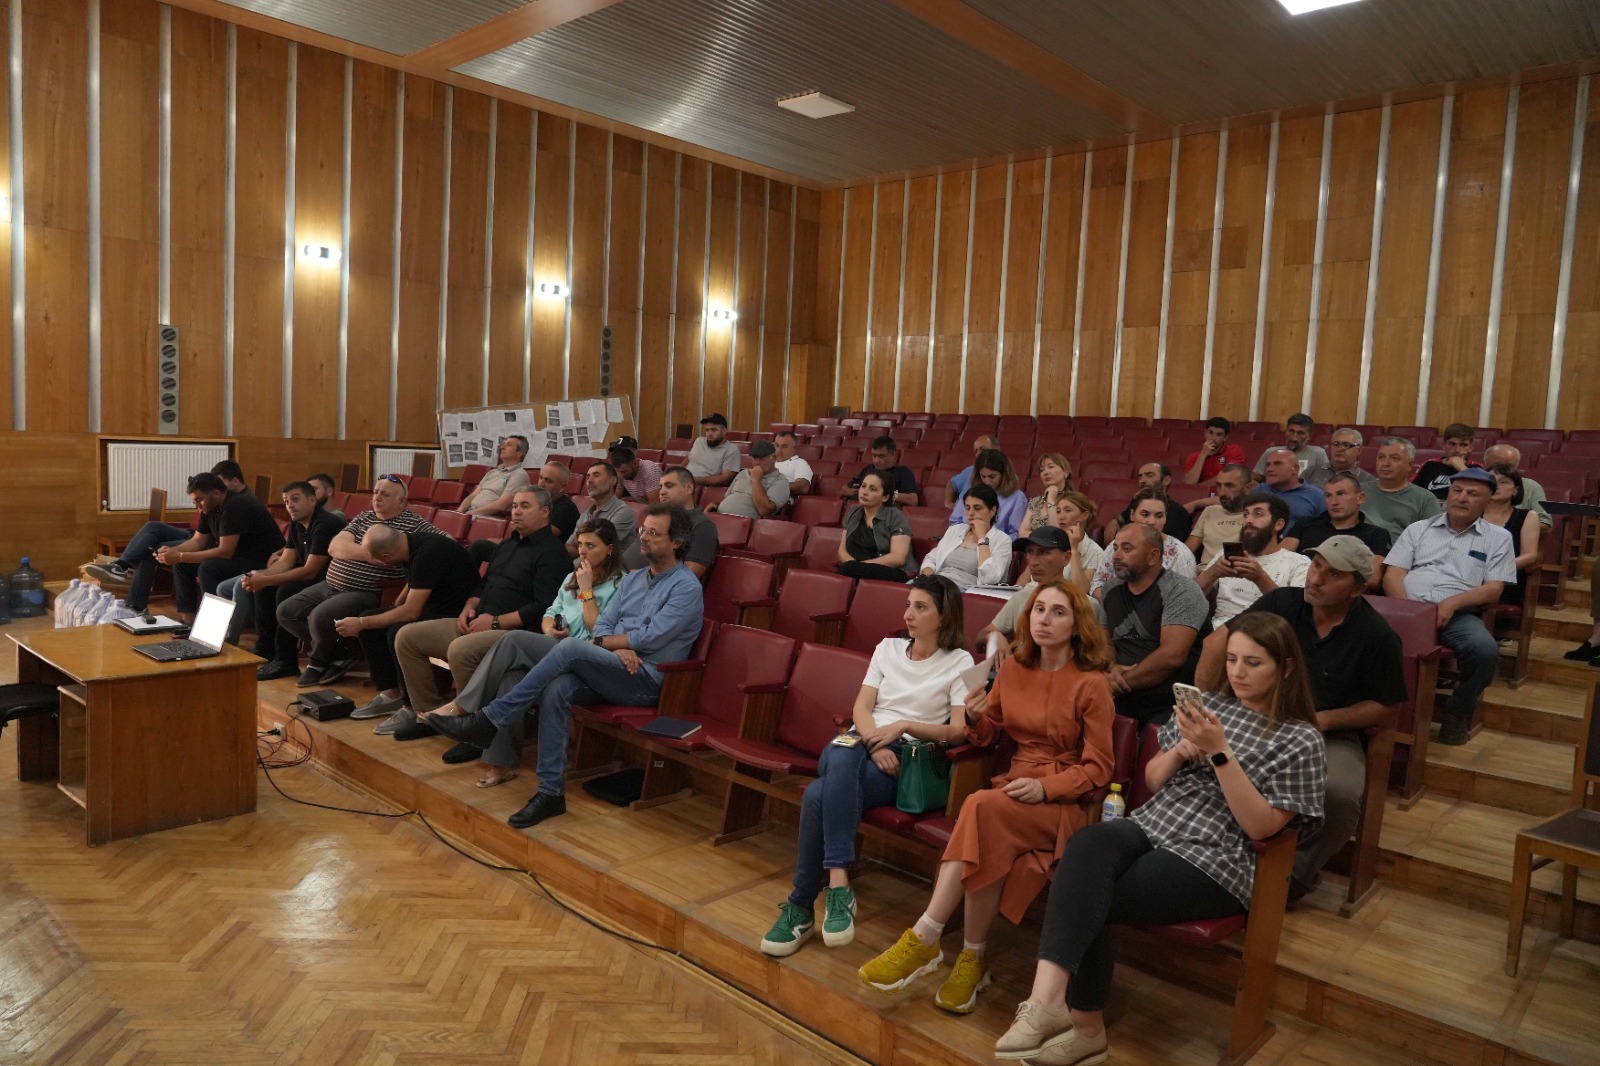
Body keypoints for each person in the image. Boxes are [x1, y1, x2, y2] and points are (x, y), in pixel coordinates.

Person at [994, 613, 1324, 1065]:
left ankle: (1085, 1028)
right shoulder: (1210, 707)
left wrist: (1219, 752)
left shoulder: (1301, 739)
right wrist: (1179, 752)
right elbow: (1152, 779)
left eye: (1253, 663)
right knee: (1085, 848)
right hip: (1155, 823)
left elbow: (1261, 826)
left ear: (1285, 668)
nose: (1238, 672)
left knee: (1092, 894)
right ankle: (1046, 1002)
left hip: (1216, 855)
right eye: (1231, 660)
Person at [857, 581, 1116, 1013]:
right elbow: (986, 733)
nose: (1044, 620)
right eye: (1038, 610)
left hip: (1061, 801)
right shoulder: (1013, 668)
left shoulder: (1092, 684)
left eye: (1058, 613)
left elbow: (1099, 768)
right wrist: (976, 716)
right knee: (986, 828)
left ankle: (925, 935)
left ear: (1077, 626)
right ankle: (971, 958)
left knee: (979, 807)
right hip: (1014, 790)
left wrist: (1046, 787)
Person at [438, 504, 705, 829]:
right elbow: (603, 624)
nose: (644, 538)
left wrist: (608, 643)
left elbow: (651, 638)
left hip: (646, 680)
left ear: (676, 542)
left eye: (653, 533)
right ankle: (550, 792)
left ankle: (490, 717)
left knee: (569, 647)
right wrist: (615, 645)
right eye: (642, 531)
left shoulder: (686, 586)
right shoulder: (635, 579)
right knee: (556, 687)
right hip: (613, 667)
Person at [759, 576, 973, 958]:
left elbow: (958, 730)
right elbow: (861, 707)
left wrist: (903, 726)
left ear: (944, 616)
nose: (908, 614)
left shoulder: (960, 661)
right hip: (866, 743)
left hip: (902, 763)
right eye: (908, 605)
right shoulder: (887, 648)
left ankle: (801, 907)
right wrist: (876, 743)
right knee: (841, 751)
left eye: (921, 607)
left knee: (819, 794)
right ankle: (838, 884)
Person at [1196, 536, 1405, 899]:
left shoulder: (1377, 635)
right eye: (1316, 565)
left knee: (1339, 793)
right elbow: (1217, 643)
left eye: (1333, 574)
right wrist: (1208, 703)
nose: (1316, 578)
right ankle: (1210, 852)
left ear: (1358, 588)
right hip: (1258, 714)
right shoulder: (1282, 602)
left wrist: (1324, 720)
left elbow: (1387, 708)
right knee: (1198, 754)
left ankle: (1289, 879)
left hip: (1328, 731)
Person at [428, 518, 626, 787]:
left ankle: (464, 707)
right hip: (556, 646)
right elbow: (551, 611)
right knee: (510, 678)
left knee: (513, 640)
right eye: (580, 544)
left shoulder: (621, 584)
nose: (583, 551)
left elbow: (600, 630)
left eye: (591, 546)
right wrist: (549, 628)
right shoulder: (573, 576)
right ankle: (502, 764)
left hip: (585, 656)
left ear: (610, 549)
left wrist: (587, 589)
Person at [385, 486, 572, 729]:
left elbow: (543, 608)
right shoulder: (507, 545)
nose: (516, 512)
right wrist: (469, 607)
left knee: (461, 649)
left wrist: (494, 622)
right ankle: (429, 715)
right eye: (514, 506)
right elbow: (484, 583)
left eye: (525, 506)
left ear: (545, 511)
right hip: (478, 620)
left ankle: (470, 725)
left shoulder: (553, 553)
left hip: (513, 633)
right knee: (407, 637)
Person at [1383, 468, 1516, 746]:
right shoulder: (1419, 529)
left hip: (1457, 615)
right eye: (1457, 491)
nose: (1462, 497)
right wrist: (1411, 613)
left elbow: (1494, 589)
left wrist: (1452, 603)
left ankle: (1457, 713)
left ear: (1487, 501)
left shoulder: (1499, 537)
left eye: (1472, 494)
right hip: (1407, 609)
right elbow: (1393, 575)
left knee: (1485, 651)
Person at [277, 474, 445, 687]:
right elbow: (335, 547)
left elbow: (445, 544)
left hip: (371, 591)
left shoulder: (414, 524)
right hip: (331, 584)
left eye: (385, 494)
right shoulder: (365, 517)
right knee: (286, 611)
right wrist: (370, 554)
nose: (377, 497)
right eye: (375, 492)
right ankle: (339, 654)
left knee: (319, 617)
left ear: (401, 501)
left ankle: (317, 663)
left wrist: (411, 566)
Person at [331, 524, 481, 738]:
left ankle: (411, 707)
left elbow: (411, 612)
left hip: (456, 614)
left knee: (394, 629)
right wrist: (394, 606)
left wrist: (362, 622)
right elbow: (414, 582)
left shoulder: (428, 553)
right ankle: (391, 693)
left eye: (380, 560)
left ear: (386, 556)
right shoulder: (407, 543)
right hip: (432, 607)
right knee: (372, 624)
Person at [233, 481, 346, 680]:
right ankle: (267, 649)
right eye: (286, 502)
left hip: (332, 581)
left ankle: (286, 660)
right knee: (265, 588)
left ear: (312, 500)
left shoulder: (325, 523)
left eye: (295, 499)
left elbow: (311, 571)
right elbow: (286, 561)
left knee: (285, 590)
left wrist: (267, 580)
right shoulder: (297, 524)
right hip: (313, 579)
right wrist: (260, 578)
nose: (290, 506)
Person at [1099, 524, 1209, 727]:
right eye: (1115, 548)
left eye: (1127, 548)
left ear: (1153, 556)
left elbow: (1171, 656)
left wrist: (1116, 684)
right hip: (1119, 693)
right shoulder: (1110, 589)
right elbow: (1105, 643)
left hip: (1169, 703)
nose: (1116, 556)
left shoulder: (1181, 590)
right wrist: (1109, 669)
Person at [162, 472, 285, 624]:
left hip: (262, 562)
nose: (197, 506)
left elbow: (225, 551)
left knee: (209, 567)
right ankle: (188, 621)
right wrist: (174, 552)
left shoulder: (235, 505)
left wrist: (180, 555)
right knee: (182, 564)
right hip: (238, 558)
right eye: (195, 501)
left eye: (199, 500)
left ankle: (215, 624)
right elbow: (198, 541)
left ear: (216, 493)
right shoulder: (208, 508)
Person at [1197, 492, 1309, 626]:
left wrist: (1260, 578)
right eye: (1245, 514)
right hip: (1220, 628)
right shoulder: (1226, 554)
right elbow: (1188, 597)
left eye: (1258, 514)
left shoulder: (1299, 563)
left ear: (1278, 524)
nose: (1248, 520)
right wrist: (1213, 572)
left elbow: (1295, 614)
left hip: (1268, 631)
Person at [1281, 472, 1392, 587]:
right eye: (1328, 496)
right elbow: (1279, 559)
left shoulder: (1376, 534)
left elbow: (1373, 579)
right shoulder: (1306, 523)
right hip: (1292, 585)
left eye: (1341, 494)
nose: (1334, 502)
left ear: (1360, 498)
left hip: (1339, 594)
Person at [1088, 489, 1196, 597]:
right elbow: (1097, 583)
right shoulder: (1117, 545)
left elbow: (1185, 596)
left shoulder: (1179, 553)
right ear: (1132, 515)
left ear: (1165, 518)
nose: (1152, 522)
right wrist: (1112, 603)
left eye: (1159, 516)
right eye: (1145, 514)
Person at [622, 466, 718, 577]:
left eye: (669, 486)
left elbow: (689, 573)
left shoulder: (703, 525)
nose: (661, 492)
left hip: (643, 583)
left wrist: (639, 577)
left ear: (689, 488)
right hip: (619, 575)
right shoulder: (658, 518)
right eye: (661, 487)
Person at [922, 485, 1014, 591]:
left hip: (965, 591)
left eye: (977, 508)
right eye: (967, 508)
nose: (970, 513)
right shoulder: (955, 530)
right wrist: (926, 576)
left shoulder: (1002, 540)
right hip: (937, 583)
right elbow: (931, 559)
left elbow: (990, 579)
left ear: (993, 510)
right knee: (911, 589)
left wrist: (982, 538)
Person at [1481, 464, 1544, 607]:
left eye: (1504, 482)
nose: (1496, 485)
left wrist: (1493, 569)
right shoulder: (1472, 512)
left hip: (1506, 579)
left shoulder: (1528, 516)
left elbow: (1529, 556)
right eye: (1491, 480)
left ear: (1516, 490)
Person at [837, 470, 916, 582]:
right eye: (863, 486)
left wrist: (860, 566)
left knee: (846, 570)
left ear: (885, 497)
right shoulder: (853, 511)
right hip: (854, 569)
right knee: (846, 570)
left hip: (890, 570)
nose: (864, 492)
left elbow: (898, 558)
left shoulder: (895, 516)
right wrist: (856, 566)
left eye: (872, 489)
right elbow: (842, 550)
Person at [1363, 437, 1441, 540]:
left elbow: (1434, 539)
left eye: (1394, 458)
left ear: (1409, 465)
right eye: (1381, 457)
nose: (1386, 463)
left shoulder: (1425, 499)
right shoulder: (1358, 491)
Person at [1104, 463, 1192, 543]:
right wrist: (1113, 522)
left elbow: (1178, 546)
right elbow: (1121, 518)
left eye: (1149, 475)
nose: (1142, 480)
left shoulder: (1178, 512)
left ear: (1166, 480)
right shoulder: (1137, 503)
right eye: (1140, 477)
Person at [947, 449, 1026, 536]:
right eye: (983, 476)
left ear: (1004, 475)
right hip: (967, 540)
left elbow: (1016, 533)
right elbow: (955, 522)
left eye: (992, 477)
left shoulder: (1017, 497)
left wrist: (991, 540)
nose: (987, 482)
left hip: (998, 543)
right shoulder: (971, 493)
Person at [567, 461, 637, 557]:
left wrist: (581, 546)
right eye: (587, 477)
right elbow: (569, 546)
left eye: (596, 475)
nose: (589, 481)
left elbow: (601, 549)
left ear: (613, 480)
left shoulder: (623, 512)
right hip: (580, 563)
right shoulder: (585, 515)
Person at [1186, 464, 1250, 567]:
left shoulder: (1255, 518)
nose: (1222, 492)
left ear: (1248, 488)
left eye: (1229, 486)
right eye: (1219, 485)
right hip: (1203, 572)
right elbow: (1186, 552)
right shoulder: (1210, 511)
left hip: (1234, 571)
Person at [710, 440, 791, 518]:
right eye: (754, 458)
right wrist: (716, 504)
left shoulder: (780, 481)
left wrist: (756, 479)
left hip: (744, 523)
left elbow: (765, 510)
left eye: (761, 459)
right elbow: (727, 498)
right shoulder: (743, 473)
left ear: (773, 458)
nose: (757, 462)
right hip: (719, 517)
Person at [1252, 412, 1330, 487]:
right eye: (1291, 431)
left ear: (1309, 436)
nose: (1294, 438)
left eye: (1300, 433)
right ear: (1286, 432)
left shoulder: (1318, 453)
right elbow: (1255, 478)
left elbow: (1326, 481)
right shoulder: (1271, 452)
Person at [1482, 443, 1551, 528]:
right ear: (1485, 462)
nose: (1502, 470)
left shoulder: (1531, 487)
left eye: (1509, 466)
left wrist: (1512, 527)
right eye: (1497, 465)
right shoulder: (1475, 483)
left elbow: (1545, 523)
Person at [1258, 447, 1326, 533]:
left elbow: (1324, 530)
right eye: (1268, 465)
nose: (1269, 469)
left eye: (1277, 463)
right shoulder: (1258, 491)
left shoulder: (1317, 496)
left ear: (1295, 469)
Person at [462, 436, 533, 516]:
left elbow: (501, 505)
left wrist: (469, 515)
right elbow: (473, 495)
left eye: (509, 445)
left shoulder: (519, 475)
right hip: (471, 513)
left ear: (519, 453)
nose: (502, 447)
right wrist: (459, 512)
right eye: (503, 444)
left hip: (489, 517)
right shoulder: (492, 472)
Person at [844, 436, 921, 506]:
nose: (876, 460)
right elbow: (844, 489)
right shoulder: (868, 469)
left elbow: (913, 500)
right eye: (874, 455)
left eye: (881, 456)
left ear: (893, 454)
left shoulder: (903, 472)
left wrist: (885, 494)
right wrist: (862, 492)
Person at [1054, 493, 1104, 595]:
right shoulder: (1049, 542)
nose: (1061, 517)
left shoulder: (1095, 552)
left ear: (1085, 515)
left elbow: (1081, 591)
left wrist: (1074, 548)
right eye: (1058, 511)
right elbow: (1025, 581)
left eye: (1068, 510)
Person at [1412, 422, 1478, 499]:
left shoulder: (1476, 468)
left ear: (1470, 448)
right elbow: (1412, 491)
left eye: (1463, 445)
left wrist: (1462, 469)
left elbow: (1479, 494)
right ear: (1444, 445)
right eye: (1452, 444)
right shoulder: (1429, 465)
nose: (1457, 450)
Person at [1017, 452, 1074, 539]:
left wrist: (1051, 501)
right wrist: (1045, 537)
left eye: (1051, 467)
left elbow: (1058, 536)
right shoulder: (1036, 502)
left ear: (1065, 472)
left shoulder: (1073, 501)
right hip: (1032, 546)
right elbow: (1022, 533)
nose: (1045, 472)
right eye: (1042, 470)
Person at [1181, 416, 1247, 486]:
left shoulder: (1233, 451)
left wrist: (1200, 488)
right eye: (1210, 433)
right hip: (1201, 492)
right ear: (1205, 433)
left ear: (1225, 437)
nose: (1213, 438)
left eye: (1219, 435)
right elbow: (1188, 483)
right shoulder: (1194, 457)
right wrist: (1203, 455)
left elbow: (1229, 476)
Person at [943, 434, 1002, 510]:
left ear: (996, 450)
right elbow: (952, 483)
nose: (978, 453)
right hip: (957, 513)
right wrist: (948, 503)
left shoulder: (1005, 476)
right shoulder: (970, 470)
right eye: (976, 451)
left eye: (982, 449)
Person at [686, 412, 742, 487]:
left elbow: (725, 479)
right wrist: (677, 472)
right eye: (707, 430)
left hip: (701, 487)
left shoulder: (731, 450)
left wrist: (694, 480)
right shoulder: (699, 441)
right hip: (684, 481)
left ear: (724, 431)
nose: (709, 434)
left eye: (713, 430)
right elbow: (689, 459)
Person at [1326, 427, 1380, 495]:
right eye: (1335, 444)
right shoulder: (1314, 471)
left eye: (1346, 445)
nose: (1339, 449)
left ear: (1358, 450)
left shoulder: (1368, 481)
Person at [536, 460, 581, 541]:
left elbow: (542, 537)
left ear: (562, 487)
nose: (541, 484)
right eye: (540, 478)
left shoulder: (566, 508)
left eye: (548, 481)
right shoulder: (539, 503)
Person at [772, 431, 814, 495]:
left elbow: (804, 487)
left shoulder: (800, 463)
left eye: (784, 447)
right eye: (776, 445)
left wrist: (776, 487)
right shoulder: (768, 461)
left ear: (794, 448)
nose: (778, 451)